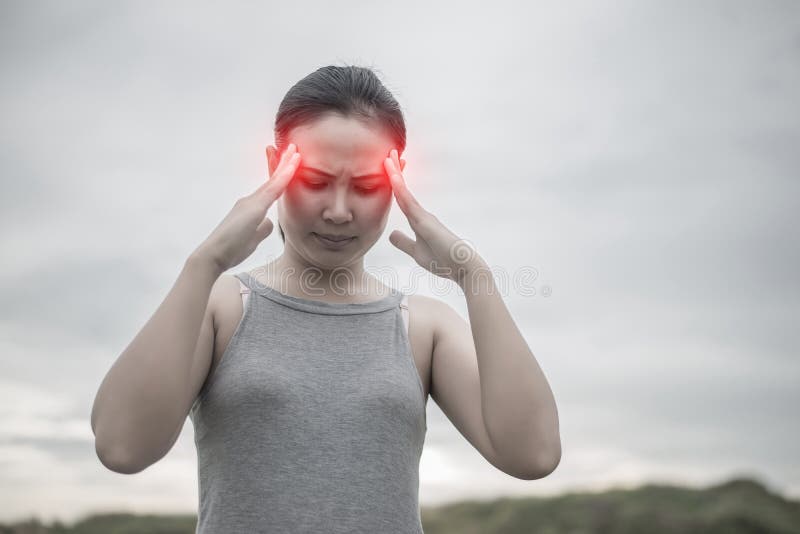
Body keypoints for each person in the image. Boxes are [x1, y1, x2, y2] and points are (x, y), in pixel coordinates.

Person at [90, 65, 561, 533]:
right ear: (276, 167)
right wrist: (204, 263)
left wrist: (471, 273)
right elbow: (122, 447)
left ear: (398, 179)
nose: (339, 211)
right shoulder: (222, 307)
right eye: (314, 181)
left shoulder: (421, 327)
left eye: (367, 186)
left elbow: (533, 455)